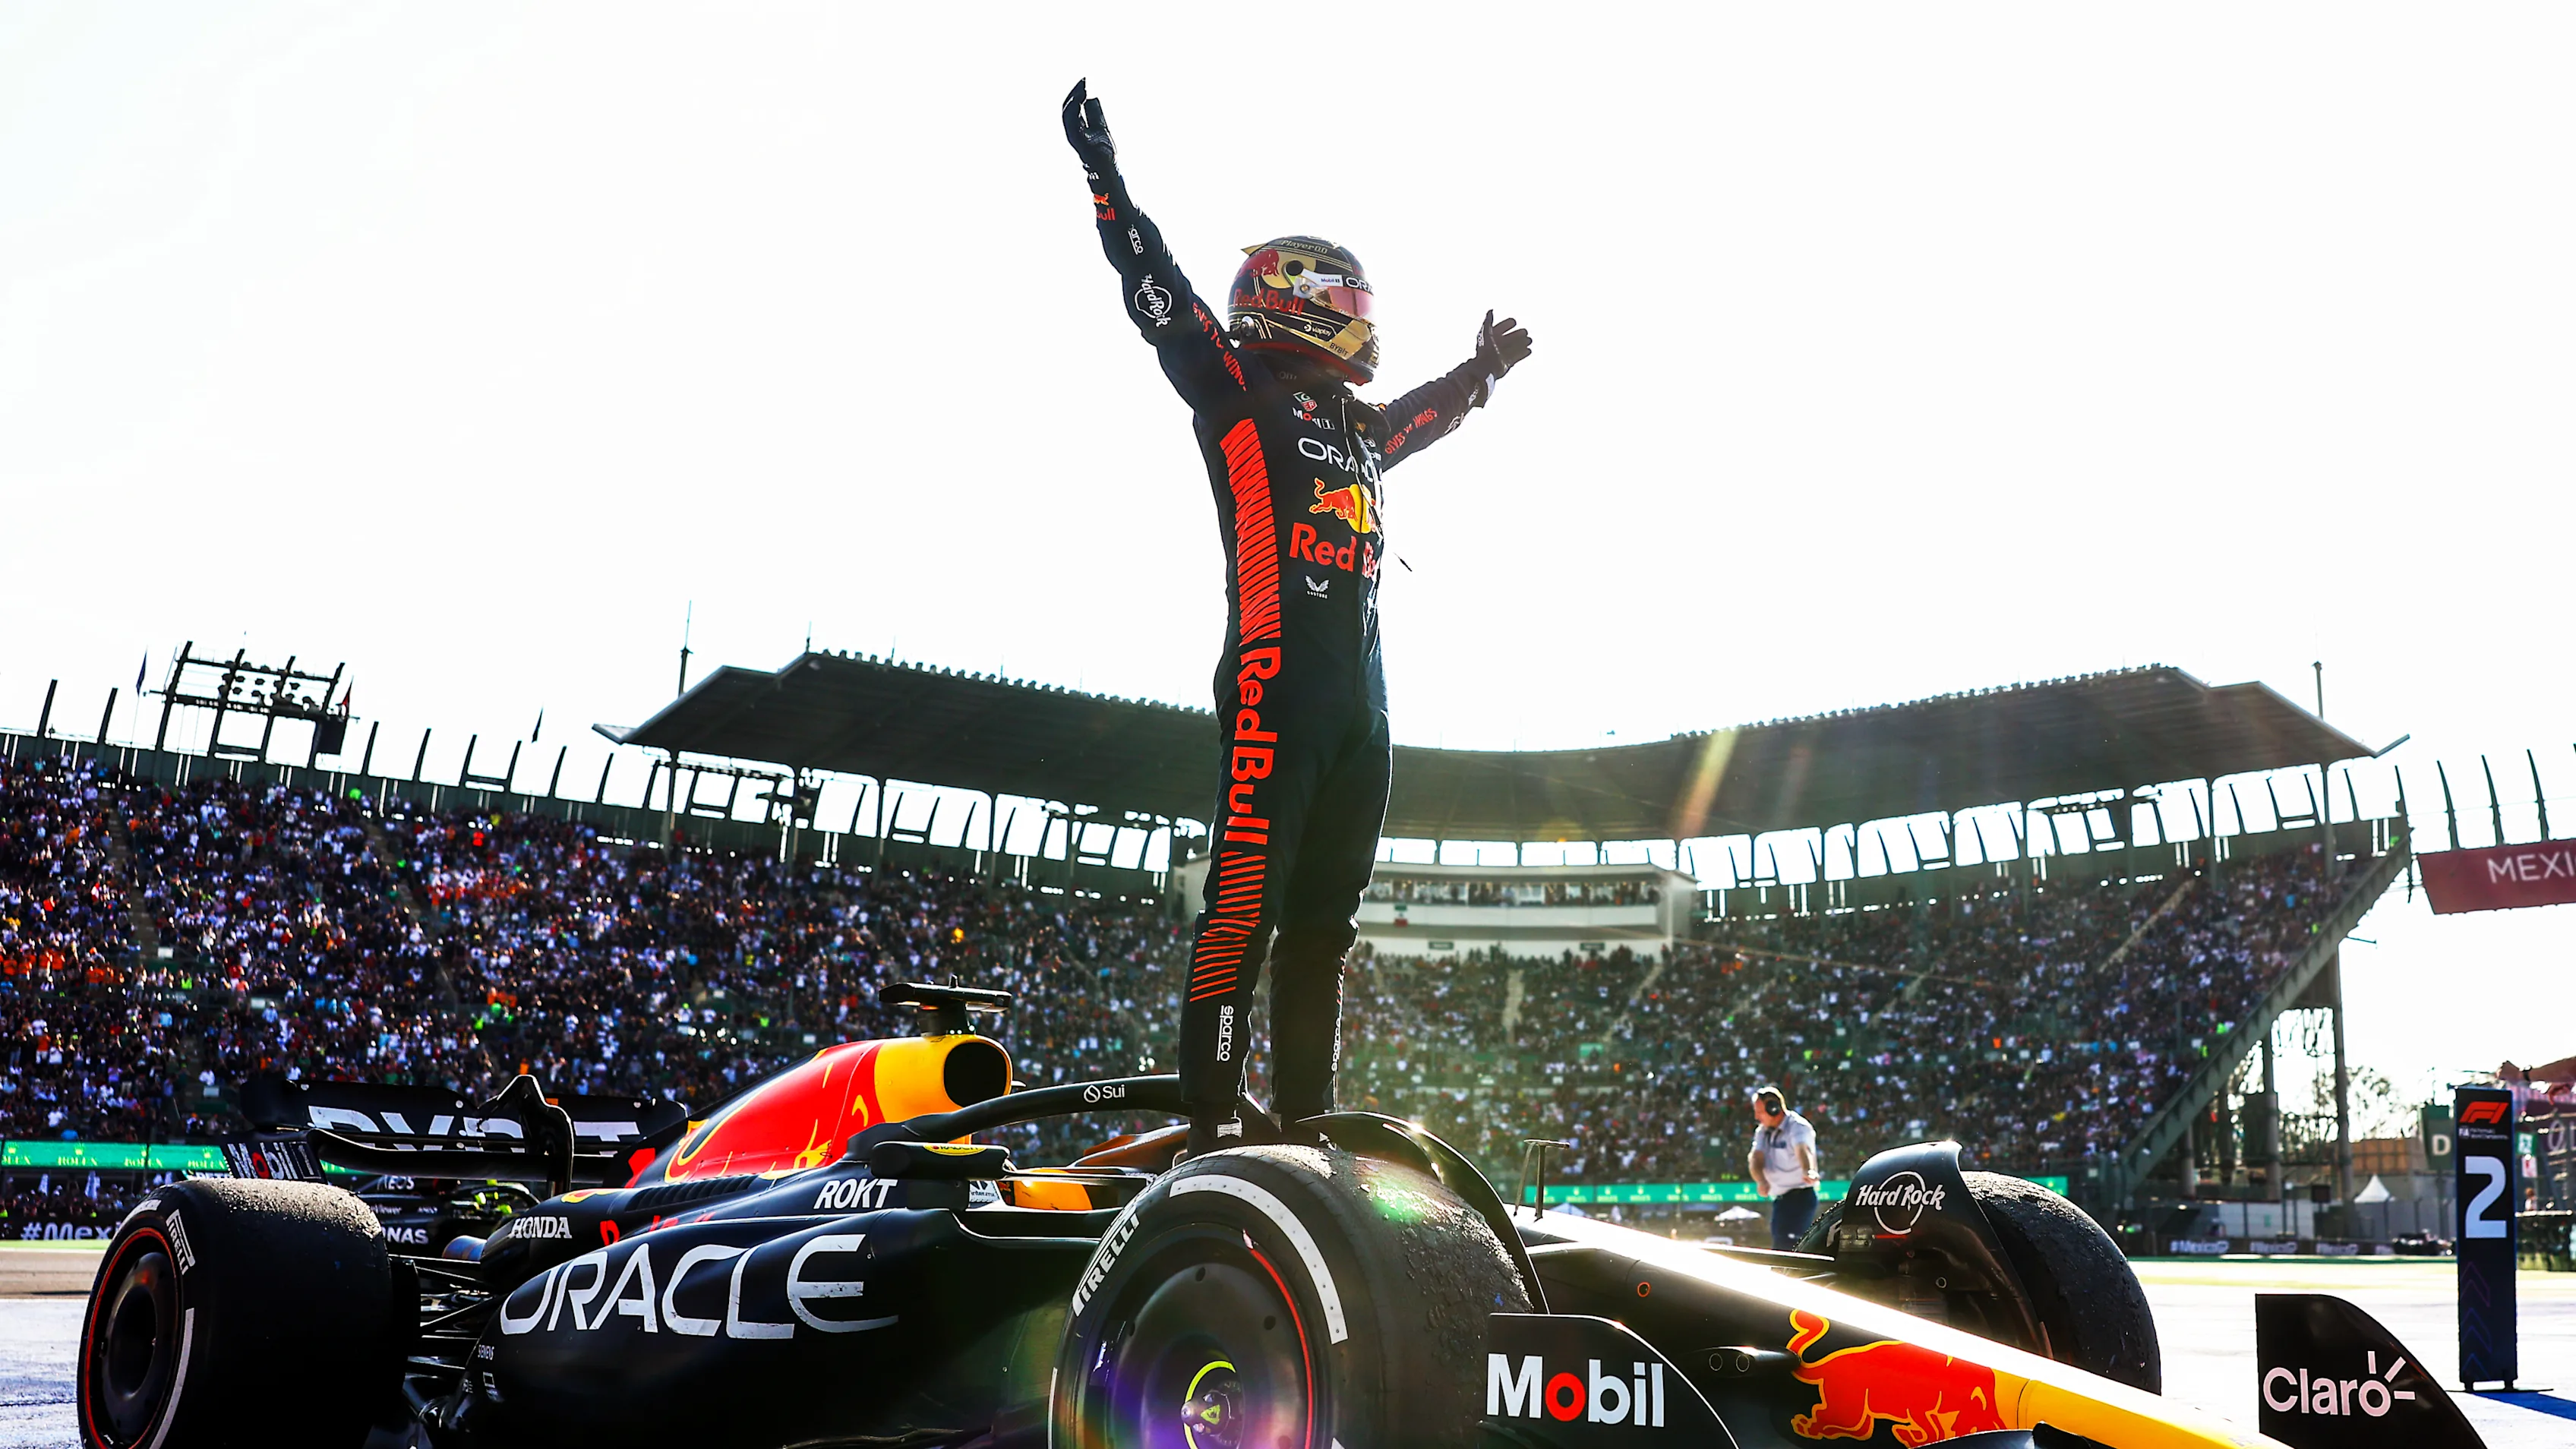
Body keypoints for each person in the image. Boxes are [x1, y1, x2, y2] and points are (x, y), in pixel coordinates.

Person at [1062, 81, 1533, 1157]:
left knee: (1325, 927)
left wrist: (1484, 372)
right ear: (1294, 299)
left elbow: (1431, 412)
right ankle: (1211, 1118)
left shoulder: (1362, 428)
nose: (1362, 319)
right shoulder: (1235, 389)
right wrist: (1105, 180)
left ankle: (1311, 1124)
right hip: (1275, 688)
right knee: (1246, 913)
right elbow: (1158, 292)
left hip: (1364, 714)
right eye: (1347, 299)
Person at [1748, 1088, 1820, 1249]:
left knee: (1792, 1246)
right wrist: (1761, 1180)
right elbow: (1756, 1157)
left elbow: (1802, 1150)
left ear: (1773, 1108)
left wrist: (1807, 1170)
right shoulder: (1762, 1131)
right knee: (1780, 1246)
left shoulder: (1798, 1126)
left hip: (1800, 1197)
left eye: (1760, 1112)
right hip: (1781, 1200)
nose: (1756, 1117)